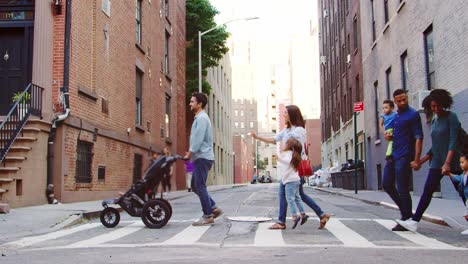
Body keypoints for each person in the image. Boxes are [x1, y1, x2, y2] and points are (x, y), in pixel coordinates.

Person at [250, 105, 330, 230]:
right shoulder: (287, 130)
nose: (283, 115)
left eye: (286, 113)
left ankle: (282, 221)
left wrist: (286, 157)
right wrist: (257, 137)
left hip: (294, 167)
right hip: (289, 168)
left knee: (287, 193)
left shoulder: (299, 130)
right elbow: (274, 139)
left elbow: (298, 148)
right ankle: (321, 215)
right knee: (297, 195)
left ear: (292, 115)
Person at [397, 89, 462, 232]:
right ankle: (414, 222)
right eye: (433, 106)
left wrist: (447, 163)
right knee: (427, 191)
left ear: (444, 103)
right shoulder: (434, 120)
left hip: (454, 161)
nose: (436, 109)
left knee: (463, 191)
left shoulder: (452, 117)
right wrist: (421, 160)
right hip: (437, 162)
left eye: (438, 105)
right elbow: (435, 146)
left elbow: (453, 141)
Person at [383, 89, 423, 231]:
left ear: (407, 98)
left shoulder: (413, 114)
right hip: (393, 155)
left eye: (404, 99)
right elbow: (396, 134)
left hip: (405, 156)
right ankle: (406, 213)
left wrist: (417, 159)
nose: (402, 102)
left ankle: (405, 218)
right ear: (395, 101)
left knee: (402, 188)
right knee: (386, 183)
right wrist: (389, 137)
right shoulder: (396, 116)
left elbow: (419, 137)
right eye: (399, 101)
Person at [184, 92, 223, 226]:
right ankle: (212, 208)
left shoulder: (201, 118)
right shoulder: (199, 118)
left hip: (202, 157)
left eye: (192, 101)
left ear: (200, 104)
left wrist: (190, 152)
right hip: (200, 157)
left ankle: (208, 216)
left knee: (199, 186)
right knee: (195, 185)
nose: (190, 103)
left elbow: (198, 139)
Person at [278, 138, 308, 229]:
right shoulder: (296, 155)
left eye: (286, 143)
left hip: (290, 181)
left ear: (289, 145)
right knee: (297, 198)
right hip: (296, 180)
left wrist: (278, 157)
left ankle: (295, 217)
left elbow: (286, 162)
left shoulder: (289, 154)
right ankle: (303, 214)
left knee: (290, 199)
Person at [447, 154, 468, 235]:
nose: (460, 164)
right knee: (466, 215)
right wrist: (449, 174)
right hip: (466, 197)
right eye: (460, 162)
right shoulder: (464, 174)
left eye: (463, 162)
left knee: (467, 214)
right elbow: (458, 179)